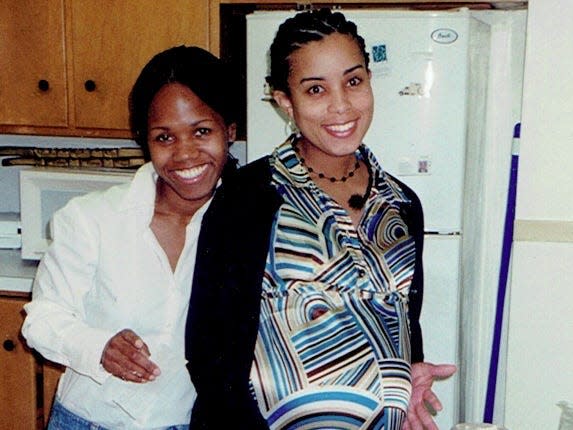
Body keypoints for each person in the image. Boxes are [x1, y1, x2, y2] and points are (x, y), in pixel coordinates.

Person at [187, 8, 456, 430]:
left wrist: (409, 374)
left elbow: (403, 318)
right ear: (284, 102)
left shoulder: (402, 204)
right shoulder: (248, 197)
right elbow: (209, 352)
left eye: (353, 81)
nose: (341, 105)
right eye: (315, 89)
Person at [21, 45, 238, 429]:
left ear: (230, 132)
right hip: (89, 421)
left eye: (202, 131)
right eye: (164, 138)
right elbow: (42, 319)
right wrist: (99, 347)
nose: (185, 154)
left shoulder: (246, 225)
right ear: (145, 141)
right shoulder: (92, 219)